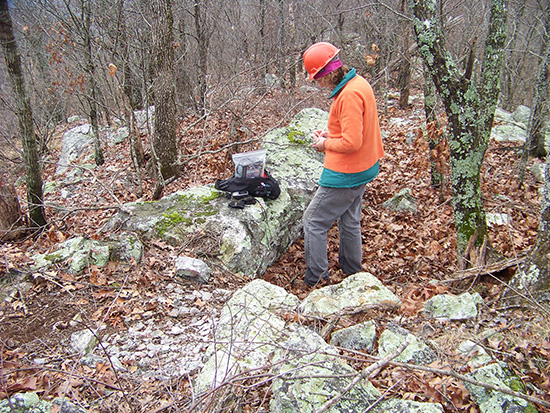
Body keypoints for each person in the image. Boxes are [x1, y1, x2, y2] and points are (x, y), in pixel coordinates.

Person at [301, 41, 384, 287]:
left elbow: (351, 142)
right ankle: (352, 273)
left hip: (346, 172)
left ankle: (316, 279)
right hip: (364, 167)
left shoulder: (347, 94)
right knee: (349, 220)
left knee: (313, 221)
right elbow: (354, 129)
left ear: (327, 73)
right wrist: (330, 133)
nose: (317, 83)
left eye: (317, 78)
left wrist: (324, 145)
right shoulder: (358, 83)